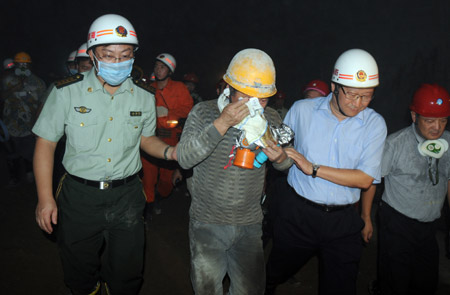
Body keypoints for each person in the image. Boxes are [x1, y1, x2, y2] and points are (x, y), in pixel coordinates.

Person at [32, 14, 176, 294]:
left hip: (127, 197)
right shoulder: (66, 93)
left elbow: (146, 139)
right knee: (79, 272)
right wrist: (45, 198)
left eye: (125, 55)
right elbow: (45, 144)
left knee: (128, 272)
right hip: (79, 196)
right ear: (93, 54)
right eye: (108, 55)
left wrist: (171, 152)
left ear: (133, 55)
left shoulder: (144, 96)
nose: (118, 62)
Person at [265, 48, 387, 295]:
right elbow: (284, 151)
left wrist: (314, 168)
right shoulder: (301, 110)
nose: (358, 103)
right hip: (299, 212)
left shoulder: (374, 124)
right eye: (351, 94)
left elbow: (365, 179)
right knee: (274, 272)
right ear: (334, 86)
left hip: (343, 222)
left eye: (367, 96)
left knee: (341, 286)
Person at [177, 48, 290, 295]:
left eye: (262, 99)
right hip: (207, 221)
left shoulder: (270, 118)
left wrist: (281, 158)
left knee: (251, 290)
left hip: (249, 224)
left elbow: (286, 163)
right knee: (207, 290)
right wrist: (222, 123)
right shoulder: (204, 112)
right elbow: (184, 159)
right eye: (247, 96)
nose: (254, 106)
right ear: (229, 89)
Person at [374, 83, 450, 294]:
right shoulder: (395, 144)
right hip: (397, 224)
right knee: (395, 283)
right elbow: (371, 180)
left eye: (443, 120)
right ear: (414, 116)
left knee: (426, 283)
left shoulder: (449, 144)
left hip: (429, 227)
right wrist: (364, 216)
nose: (437, 127)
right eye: (430, 120)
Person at [140, 53, 193, 216]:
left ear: (170, 71)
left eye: (162, 67)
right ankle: (147, 209)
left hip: (170, 139)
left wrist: (168, 115)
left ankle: (159, 196)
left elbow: (188, 109)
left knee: (166, 181)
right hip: (150, 138)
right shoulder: (148, 88)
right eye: (156, 66)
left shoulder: (179, 88)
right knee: (148, 179)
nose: (158, 69)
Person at [2, 51, 46, 183]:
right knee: (12, 154)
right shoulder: (6, 81)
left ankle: (30, 175)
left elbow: (43, 103)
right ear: (14, 65)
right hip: (10, 125)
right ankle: (14, 178)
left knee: (30, 153)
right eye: (19, 64)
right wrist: (16, 87)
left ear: (30, 66)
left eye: (25, 64)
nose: (22, 67)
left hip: (30, 126)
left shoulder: (38, 82)